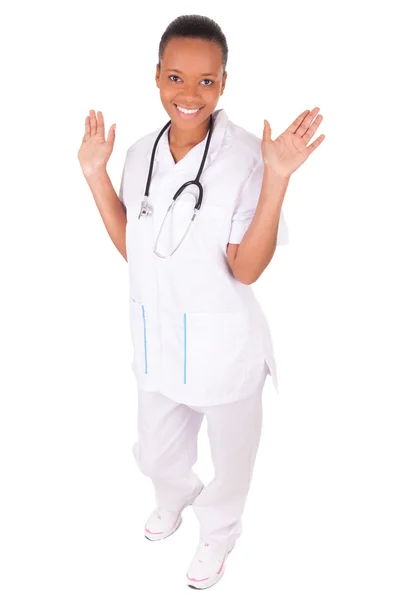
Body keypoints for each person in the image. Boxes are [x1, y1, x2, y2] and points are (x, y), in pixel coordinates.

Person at [78, 14, 325, 591]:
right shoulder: (138, 153)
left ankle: (218, 536)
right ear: (157, 78)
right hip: (155, 339)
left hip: (225, 350)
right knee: (157, 456)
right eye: (176, 78)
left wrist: (278, 177)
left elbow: (248, 267)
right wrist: (95, 175)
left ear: (223, 82)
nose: (189, 94)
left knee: (231, 465)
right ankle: (177, 496)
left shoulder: (245, 158)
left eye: (206, 81)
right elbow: (134, 249)